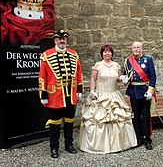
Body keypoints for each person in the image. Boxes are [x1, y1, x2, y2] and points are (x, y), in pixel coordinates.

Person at [79, 44, 137, 154]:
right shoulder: (98, 65)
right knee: (99, 119)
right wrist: (92, 91)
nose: (107, 53)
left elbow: (119, 79)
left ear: (112, 53)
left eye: (109, 51)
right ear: (102, 53)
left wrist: (123, 79)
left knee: (117, 118)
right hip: (100, 94)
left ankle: (118, 144)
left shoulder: (116, 65)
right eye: (105, 51)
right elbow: (93, 79)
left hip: (114, 95)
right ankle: (100, 146)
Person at [38, 29, 83, 158]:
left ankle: (69, 144)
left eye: (64, 38)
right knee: (54, 122)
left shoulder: (74, 55)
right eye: (59, 39)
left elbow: (78, 75)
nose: (62, 40)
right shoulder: (47, 55)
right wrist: (43, 95)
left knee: (69, 121)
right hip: (54, 96)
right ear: (55, 40)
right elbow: (42, 77)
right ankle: (54, 147)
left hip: (70, 95)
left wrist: (79, 90)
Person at [123, 41, 156, 150]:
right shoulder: (128, 61)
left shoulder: (148, 60)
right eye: (134, 47)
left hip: (145, 91)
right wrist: (124, 79)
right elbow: (126, 75)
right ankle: (139, 137)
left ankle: (147, 139)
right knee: (136, 116)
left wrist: (150, 91)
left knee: (145, 116)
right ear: (132, 49)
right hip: (133, 91)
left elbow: (153, 76)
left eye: (138, 47)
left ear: (141, 49)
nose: (136, 49)